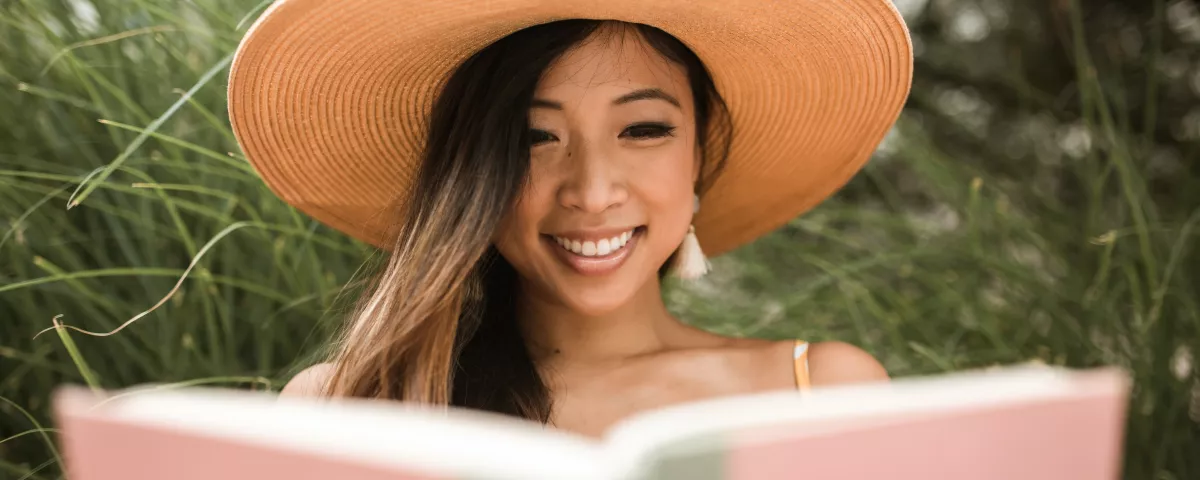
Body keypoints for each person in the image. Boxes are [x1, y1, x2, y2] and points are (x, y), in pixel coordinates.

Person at [227, 0, 912, 438]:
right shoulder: (348, 404)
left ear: (699, 155)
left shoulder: (820, 390)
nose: (590, 191)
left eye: (643, 129)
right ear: (472, 178)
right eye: (533, 138)